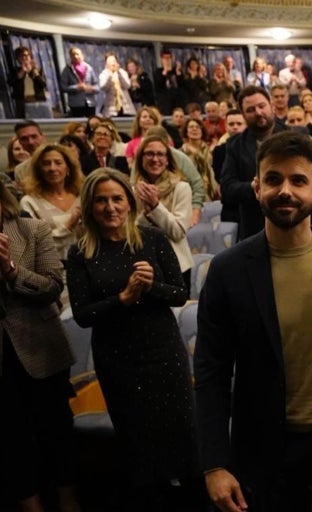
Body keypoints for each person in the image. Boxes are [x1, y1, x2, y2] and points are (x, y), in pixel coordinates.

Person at [195, 131, 312, 512]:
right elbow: (211, 374)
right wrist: (214, 463)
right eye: (274, 179)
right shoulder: (228, 271)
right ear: (257, 186)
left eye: (298, 180)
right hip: (264, 453)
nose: (285, 191)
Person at [66, 169, 200, 509]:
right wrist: (122, 299)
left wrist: (150, 286)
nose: (110, 207)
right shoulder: (81, 252)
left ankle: (193, 500)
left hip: (163, 351)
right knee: (137, 440)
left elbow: (180, 293)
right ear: (90, 206)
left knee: (181, 432)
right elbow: (82, 314)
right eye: (101, 200)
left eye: (117, 199)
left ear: (129, 202)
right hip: (117, 357)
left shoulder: (152, 238)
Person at [0, 183, 81, 512]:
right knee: (9, 435)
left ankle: (67, 497)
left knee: (56, 429)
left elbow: (53, 286)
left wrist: (10, 270)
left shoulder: (31, 229)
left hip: (40, 349)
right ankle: (30, 504)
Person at [220, 85, 289, 239]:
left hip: (293, 223)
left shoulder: (295, 136)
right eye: (250, 110)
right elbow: (227, 189)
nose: (258, 113)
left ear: (271, 106)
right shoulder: (235, 145)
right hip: (255, 228)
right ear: (243, 115)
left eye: (261, 106)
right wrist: (254, 187)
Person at [131, 135, 195, 290]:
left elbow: (178, 231)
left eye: (160, 154)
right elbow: (130, 230)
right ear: (141, 159)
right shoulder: (132, 190)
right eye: (149, 154)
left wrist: (155, 207)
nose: (155, 159)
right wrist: (146, 215)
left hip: (176, 265)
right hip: (142, 266)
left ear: (167, 160)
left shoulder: (181, 188)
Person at [19, 144, 84, 261]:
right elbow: (35, 246)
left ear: (68, 167)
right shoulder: (29, 202)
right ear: (39, 170)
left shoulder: (81, 197)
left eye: (58, 163)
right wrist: (68, 225)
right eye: (46, 163)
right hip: (50, 268)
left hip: (84, 265)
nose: (52, 168)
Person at [9, 47, 49, 119]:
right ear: (17, 58)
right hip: (22, 101)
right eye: (21, 56)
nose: (25, 58)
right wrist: (22, 71)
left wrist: (35, 72)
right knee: (23, 122)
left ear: (30, 57)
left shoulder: (38, 70)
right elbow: (10, 83)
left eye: (27, 55)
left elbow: (43, 84)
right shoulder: (14, 71)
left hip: (38, 100)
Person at [59, 47, 98, 117]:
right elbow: (63, 87)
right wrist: (76, 87)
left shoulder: (89, 68)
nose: (76, 56)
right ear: (71, 57)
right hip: (76, 105)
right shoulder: (67, 70)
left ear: (82, 55)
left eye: (77, 54)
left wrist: (92, 88)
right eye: (73, 55)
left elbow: (97, 87)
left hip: (90, 103)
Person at [98, 53, 136, 118]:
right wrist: (110, 75)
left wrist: (118, 73)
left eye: (114, 61)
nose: (112, 64)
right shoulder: (104, 74)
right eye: (110, 62)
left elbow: (127, 85)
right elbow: (103, 87)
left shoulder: (122, 72)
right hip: (111, 109)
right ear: (106, 64)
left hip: (126, 107)